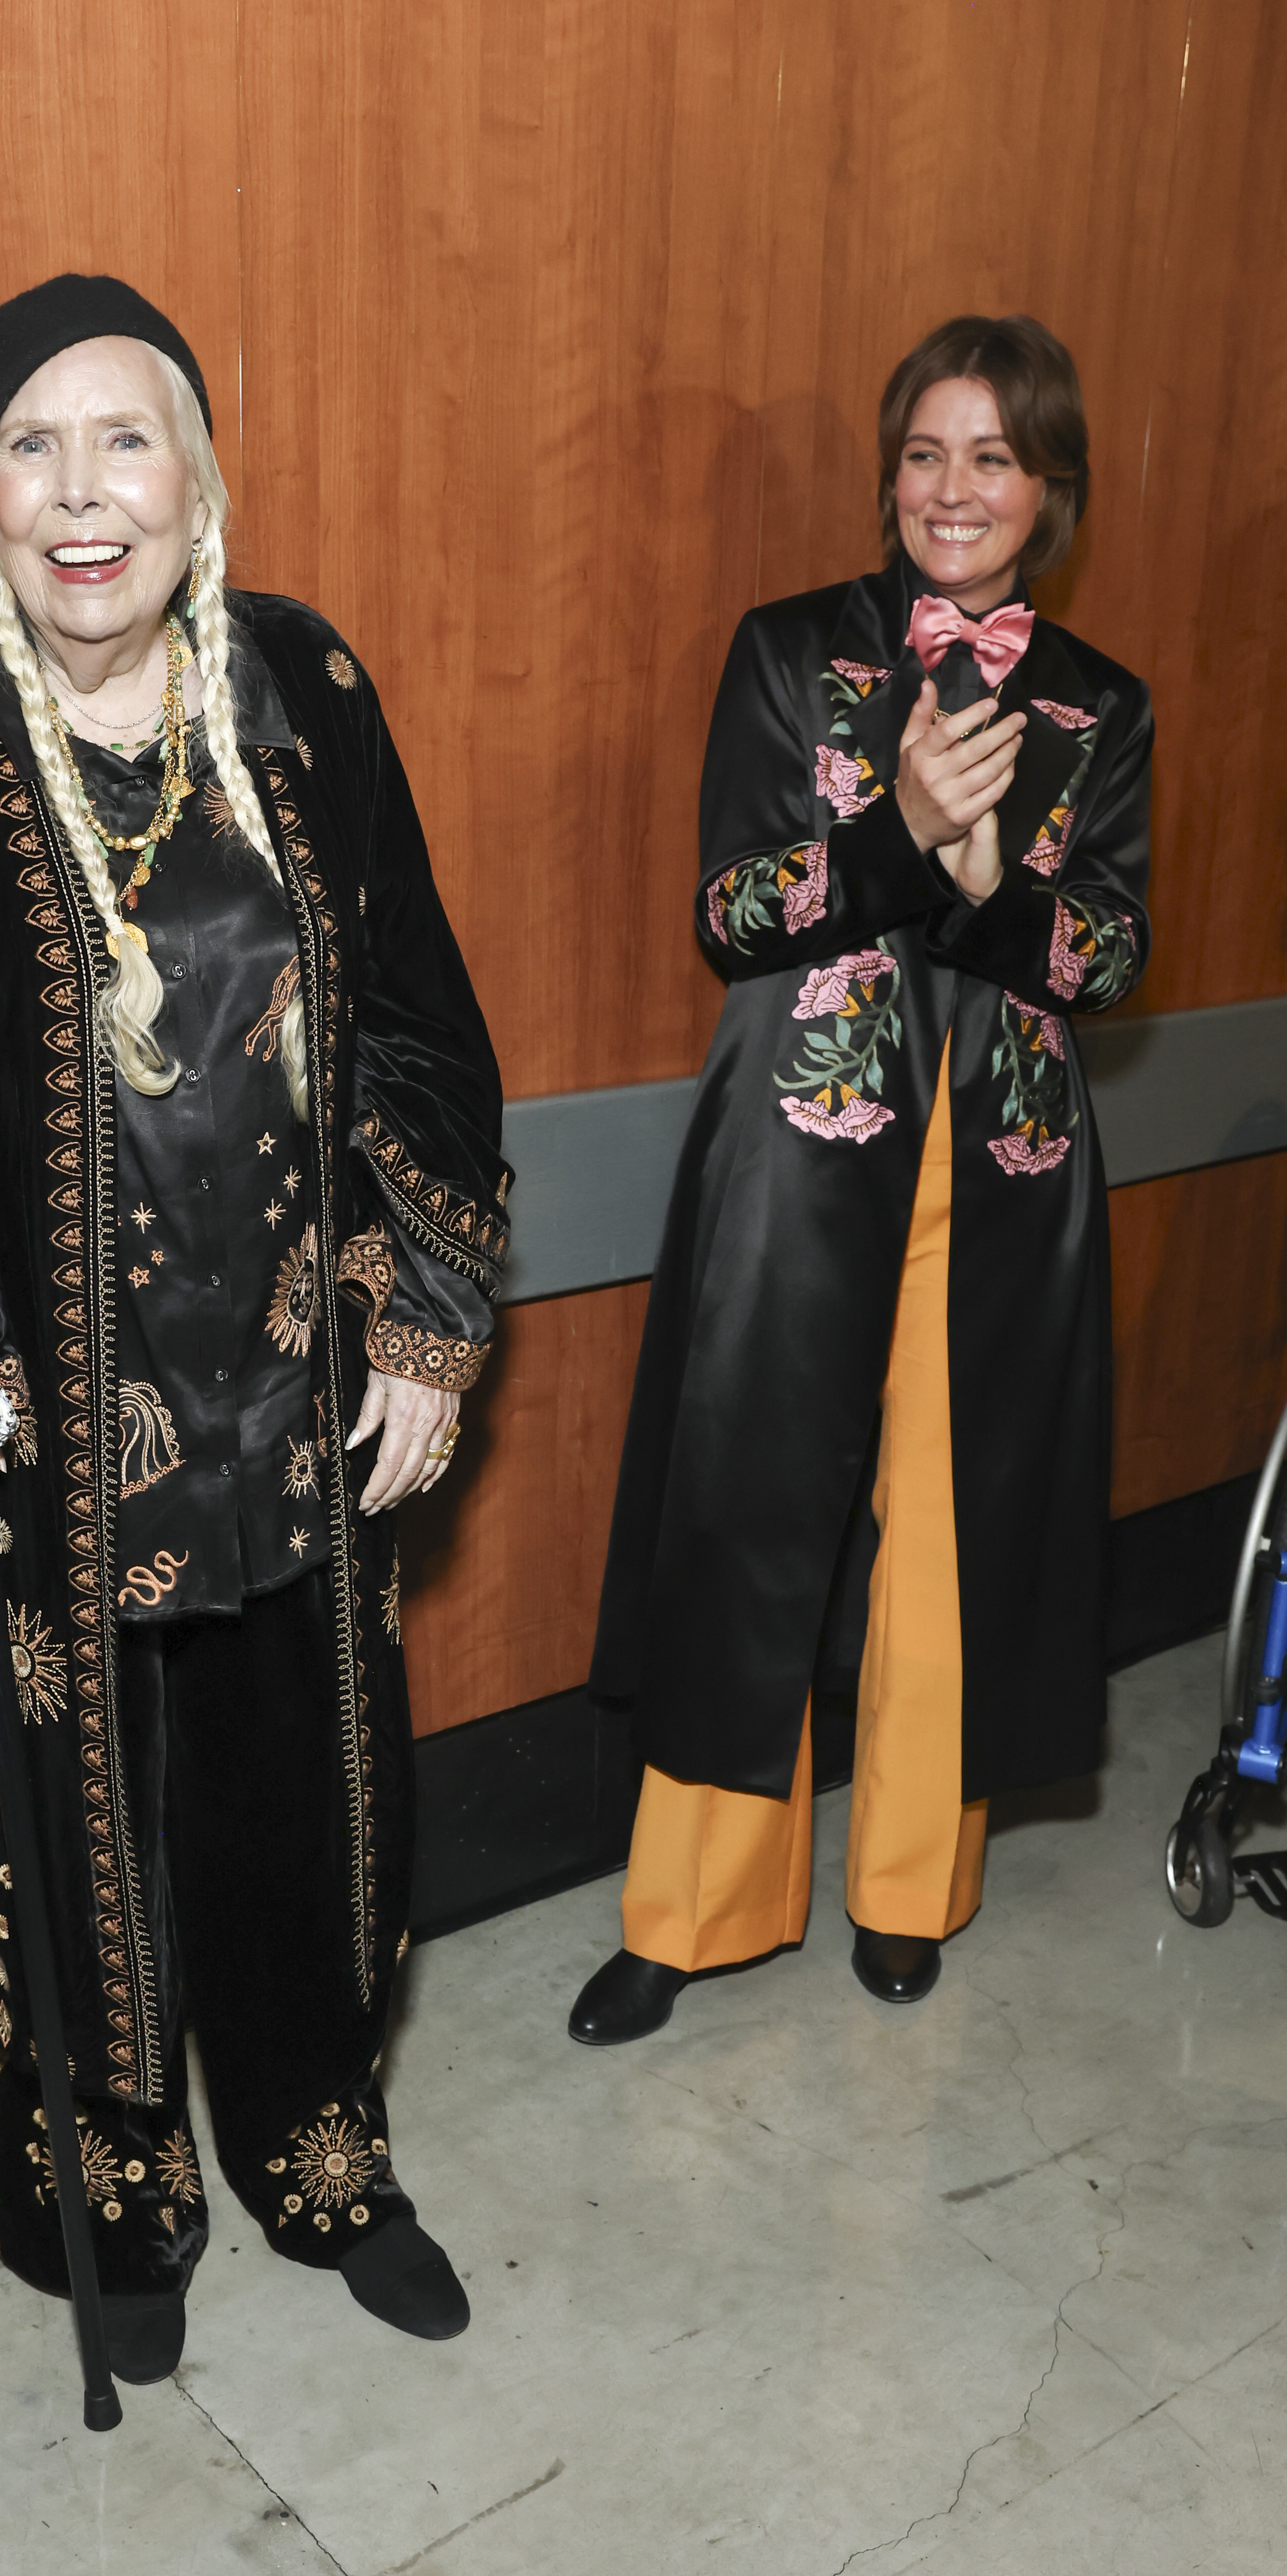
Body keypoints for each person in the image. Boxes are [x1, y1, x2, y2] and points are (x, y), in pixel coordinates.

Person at [0, 276, 509, 2378]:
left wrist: (425, 1321)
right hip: (32, 1418)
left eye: (128, 442)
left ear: (197, 479)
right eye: (32, 449)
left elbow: (427, 1034)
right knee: (74, 1820)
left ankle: (314, 2136)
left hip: (284, 1390)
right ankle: (113, 2176)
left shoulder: (301, 684)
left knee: (299, 1793)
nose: (85, 498)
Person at [572, 314, 1150, 2045]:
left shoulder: (1100, 703)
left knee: (953, 1542)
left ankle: (912, 1891)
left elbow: (1110, 956)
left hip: (1011, 1168)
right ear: (889, 473)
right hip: (800, 1151)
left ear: (1048, 490)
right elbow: (734, 912)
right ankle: (687, 1916)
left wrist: (987, 878)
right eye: (924, 453)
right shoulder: (786, 655)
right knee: (744, 1516)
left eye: (991, 457)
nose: (951, 489)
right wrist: (901, 833)